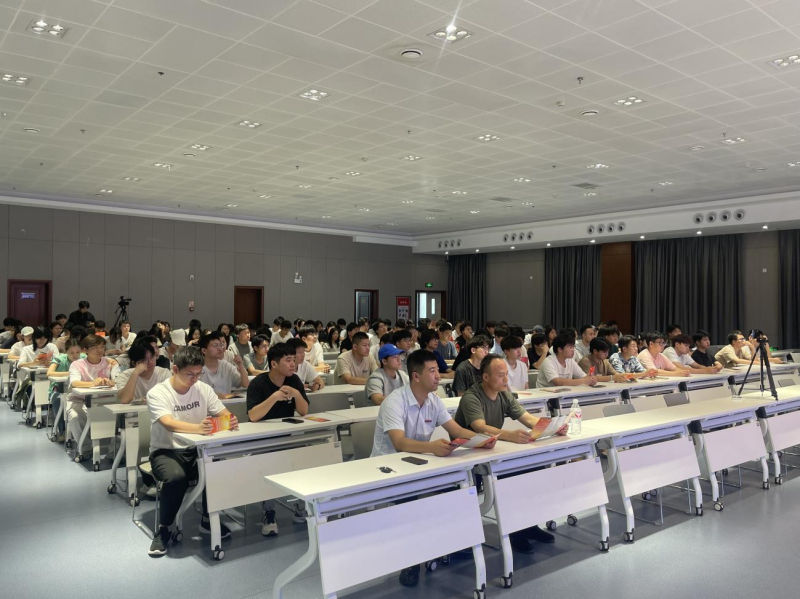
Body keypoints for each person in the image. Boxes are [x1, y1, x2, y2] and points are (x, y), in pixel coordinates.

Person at [371, 349, 493, 587]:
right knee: (409, 503)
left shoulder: (433, 400)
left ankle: (453, 543)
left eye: (438, 370)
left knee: (458, 488)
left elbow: (456, 430)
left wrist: (481, 439)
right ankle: (410, 561)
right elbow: (399, 443)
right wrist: (432, 447)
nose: (438, 376)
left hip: (420, 463)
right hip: (389, 468)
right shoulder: (394, 402)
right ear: (416, 376)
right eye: (432, 371)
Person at [454, 354, 556, 551]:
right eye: (500, 375)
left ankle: (529, 525)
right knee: (511, 476)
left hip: (492, 450)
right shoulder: (471, 397)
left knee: (533, 469)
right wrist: (509, 435)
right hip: (468, 455)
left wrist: (552, 427)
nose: (505, 379)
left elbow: (528, 419)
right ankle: (515, 531)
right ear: (485, 377)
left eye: (506, 374)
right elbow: (480, 427)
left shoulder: (504, 395)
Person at [146, 346, 239, 556]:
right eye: (190, 374)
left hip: (198, 449)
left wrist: (230, 419)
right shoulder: (158, 392)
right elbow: (168, 423)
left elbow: (223, 412)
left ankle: (208, 519)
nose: (195, 379)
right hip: (166, 450)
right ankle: (164, 528)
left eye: (199, 374)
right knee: (175, 478)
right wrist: (198, 428)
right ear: (175, 369)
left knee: (218, 469)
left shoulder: (203, 389)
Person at [247, 342, 310, 536]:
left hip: (287, 437)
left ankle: (301, 505)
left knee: (307, 457)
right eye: (288, 360)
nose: (293, 364)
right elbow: (253, 416)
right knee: (269, 466)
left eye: (294, 360)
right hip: (262, 439)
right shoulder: (258, 384)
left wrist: (297, 394)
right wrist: (274, 397)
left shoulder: (294, 380)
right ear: (274, 364)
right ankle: (269, 511)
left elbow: (304, 411)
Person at [67, 335, 119, 456]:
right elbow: (74, 383)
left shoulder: (110, 362)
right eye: (95, 347)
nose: (99, 350)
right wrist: (93, 383)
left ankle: (114, 450)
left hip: (105, 400)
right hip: (80, 400)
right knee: (75, 416)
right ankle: (85, 448)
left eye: (102, 347)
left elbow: (117, 380)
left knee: (121, 415)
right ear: (85, 350)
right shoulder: (77, 364)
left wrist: (111, 382)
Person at [47, 338, 82, 440]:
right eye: (71, 353)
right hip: (58, 388)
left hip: (77, 390)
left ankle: (80, 432)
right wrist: (70, 373)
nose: (75, 355)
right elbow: (49, 373)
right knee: (59, 400)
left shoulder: (84, 358)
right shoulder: (60, 359)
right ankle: (62, 431)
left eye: (78, 352)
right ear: (66, 351)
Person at [199, 332, 249, 398]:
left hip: (226, 403)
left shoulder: (226, 366)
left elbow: (245, 385)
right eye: (215, 345)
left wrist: (241, 365)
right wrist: (214, 396)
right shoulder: (197, 369)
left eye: (220, 345)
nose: (220, 349)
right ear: (204, 350)